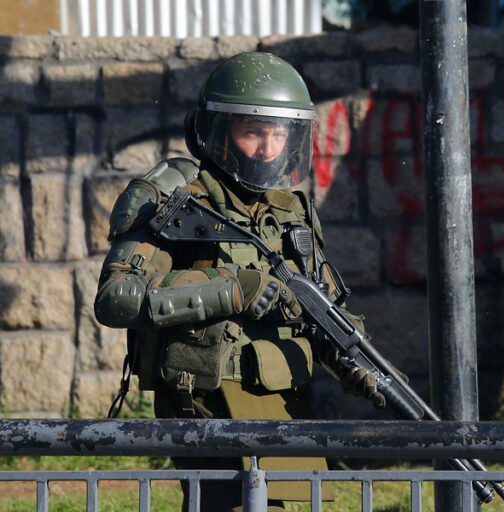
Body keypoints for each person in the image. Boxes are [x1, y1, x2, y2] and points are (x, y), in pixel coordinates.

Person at [93, 52, 383, 512]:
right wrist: (232, 288)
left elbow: (319, 305)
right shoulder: (176, 197)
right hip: (206, 401)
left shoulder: (292, 211)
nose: (268, 148)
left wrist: (355, 360)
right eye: (253, 132)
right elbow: (116, 298)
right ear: (219, 133)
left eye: (278, 133)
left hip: (282, 402)